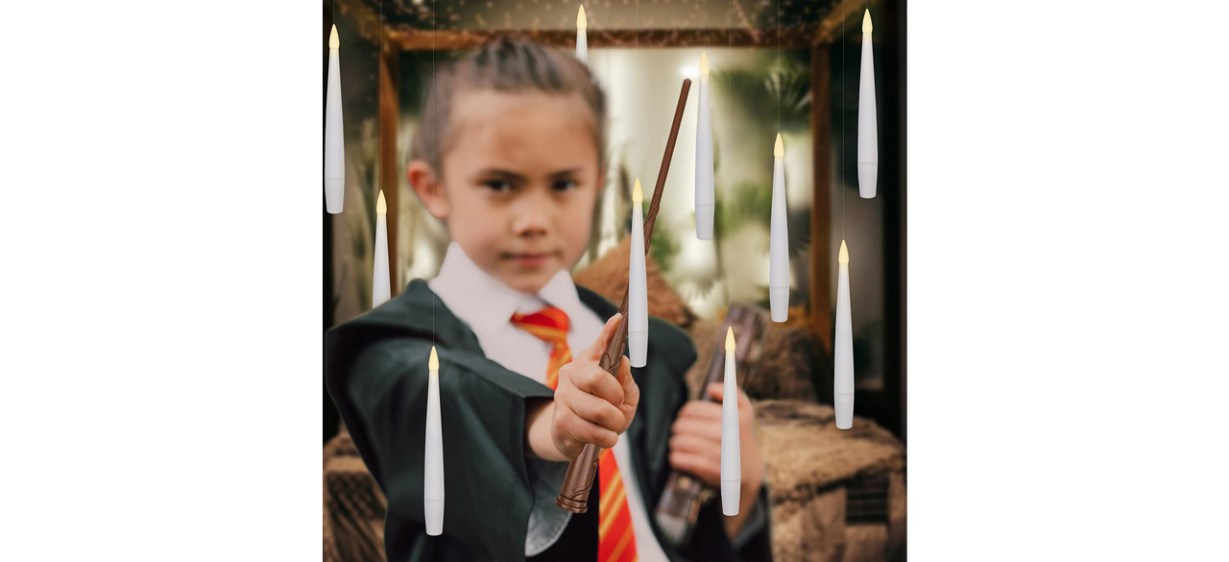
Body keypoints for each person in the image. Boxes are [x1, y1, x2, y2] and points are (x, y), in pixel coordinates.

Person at [325, 37, 771, 562]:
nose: (534, 220)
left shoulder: (652, 354)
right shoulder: (384, 352)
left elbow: (680, 535)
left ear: (596, 185)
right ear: (433, 187)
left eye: (562, 184)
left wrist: (737, 487)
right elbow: (448, 399)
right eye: (499, 183)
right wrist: (548, 427)